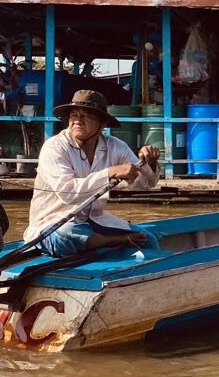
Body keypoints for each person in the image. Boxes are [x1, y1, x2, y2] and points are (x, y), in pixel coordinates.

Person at [23, 90, 161, 257]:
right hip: (54, 222)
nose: (78, 120)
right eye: (74, 115)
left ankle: (103, 241)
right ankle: (113, 240)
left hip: (94, 220)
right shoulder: (54, 147)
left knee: (148, 240)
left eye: (86, 115)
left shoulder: (116, 146)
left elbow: (144, 185)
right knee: (65, 237)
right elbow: (67, 192)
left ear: (102, 123)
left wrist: (149, 162)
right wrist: (110, 172)